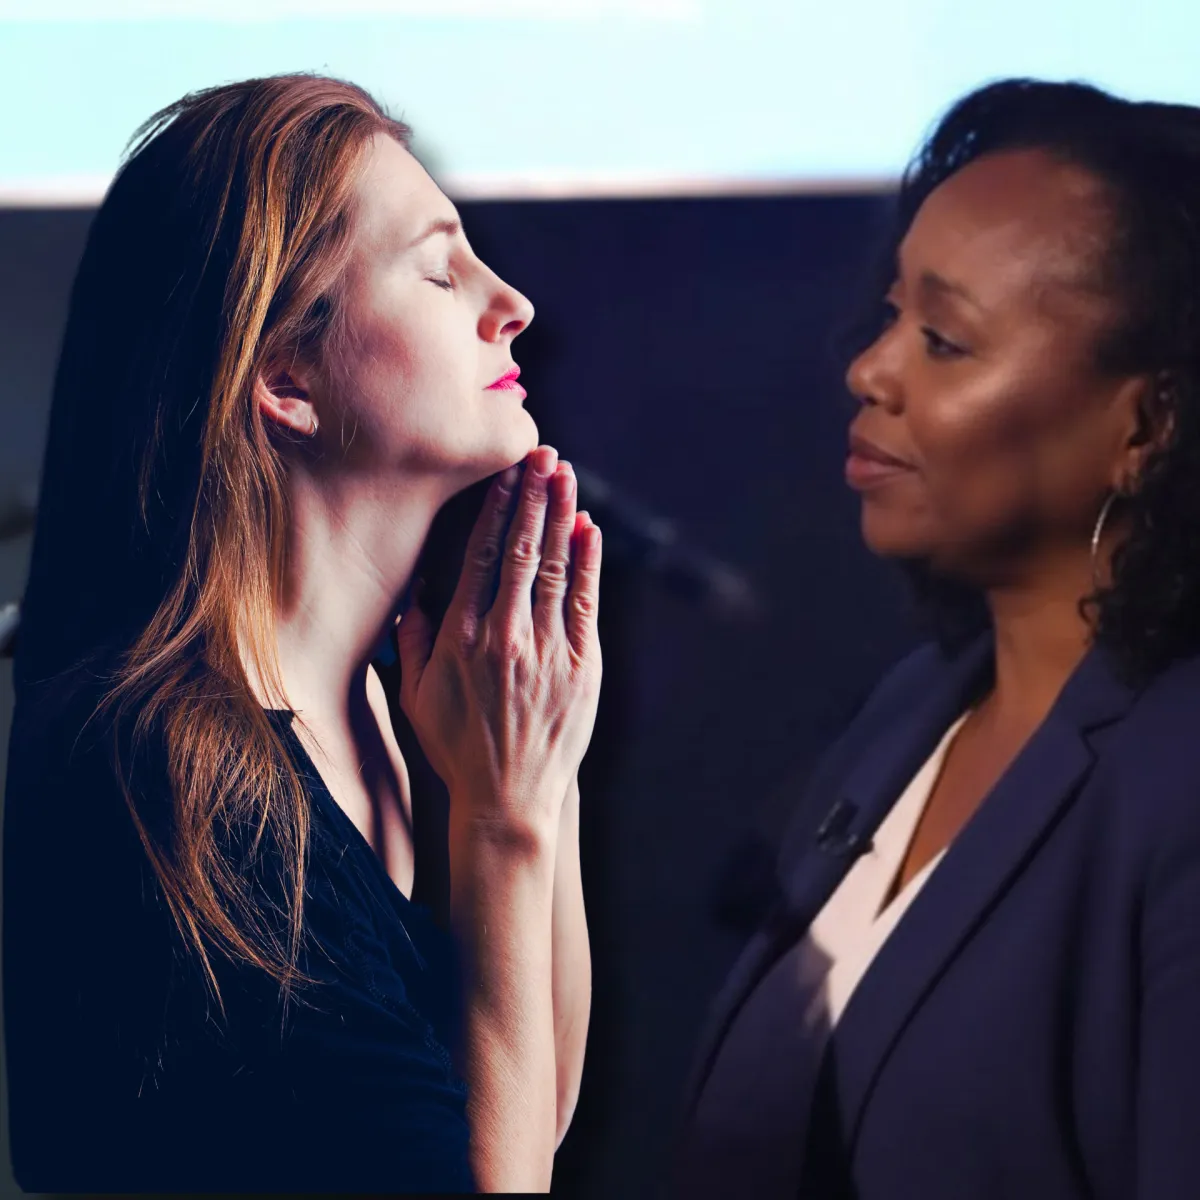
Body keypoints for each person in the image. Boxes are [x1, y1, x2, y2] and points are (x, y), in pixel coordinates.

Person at [3, 74, 602, 1194]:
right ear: (285, 375)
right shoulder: (174, 780)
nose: (510, 299)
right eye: (439, 267)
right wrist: (511, 822)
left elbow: (530, 1108)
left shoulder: (387, 703)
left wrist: (536, 766)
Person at [673, 78, 1200, 1199]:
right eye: (891, 313)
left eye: (946, 341)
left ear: (1148, 427)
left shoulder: (1180, 779)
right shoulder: (917, 709)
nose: (870, 369)